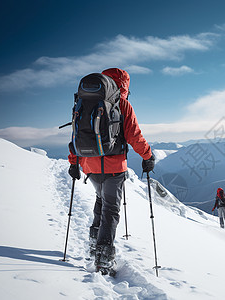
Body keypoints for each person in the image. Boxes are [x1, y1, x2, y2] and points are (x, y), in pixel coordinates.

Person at [67, 68, 155, 272]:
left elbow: (75, 134)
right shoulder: (122, 104)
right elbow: (135, 137)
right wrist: (148, 156)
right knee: (111, 209)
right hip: (114, 168)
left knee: (101, 200)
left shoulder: (83, 102)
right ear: (124, 85)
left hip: (89, 164)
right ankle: (104, 257)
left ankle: (93, 242)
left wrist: (73, 162)